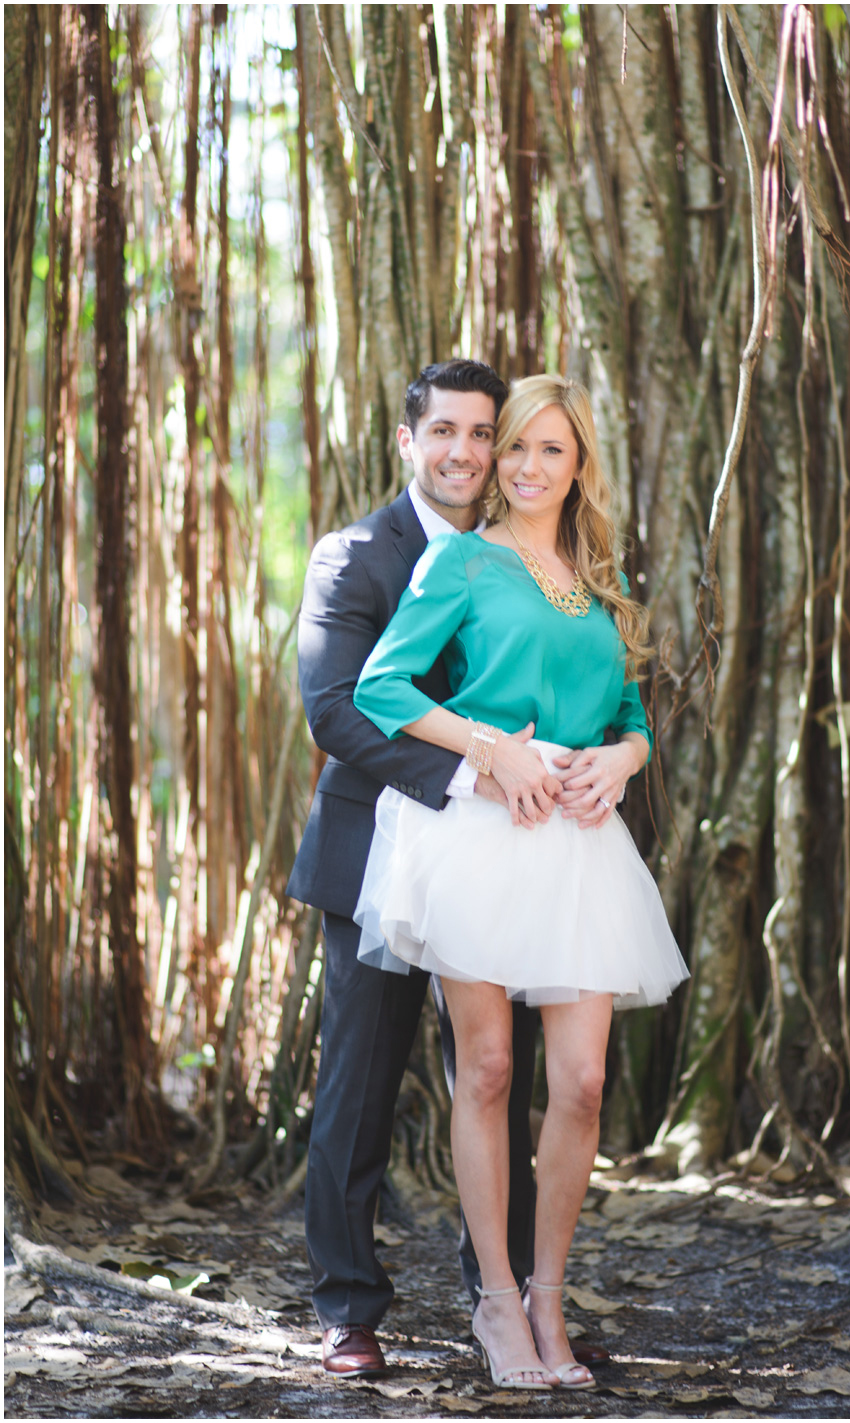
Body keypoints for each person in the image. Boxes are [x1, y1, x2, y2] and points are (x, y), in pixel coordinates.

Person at [353, 374, 689, 1390]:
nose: (529, 466)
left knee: (580, 1081)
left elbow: (630, 710)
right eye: (516, 449)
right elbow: (379, 686)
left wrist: (625, 761)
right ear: (493, 465)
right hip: (481, 835)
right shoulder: (459, 561)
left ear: (578, 463)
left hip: (581, 845)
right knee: (490, 1069)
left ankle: (549, 1296)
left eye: (551, 449)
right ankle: (496, 1304)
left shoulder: (597, 579)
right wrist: (487, 746)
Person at [287, 359, 568, 1380]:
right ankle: (348, 1306)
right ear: (405, 442)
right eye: (441, 431)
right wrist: (475, 768)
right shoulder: (355, 555)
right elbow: (335, 711)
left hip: (496, 867)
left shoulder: (519, 555)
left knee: (495, 1077)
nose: (462, 452)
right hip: (375, 859)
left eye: (480, 433)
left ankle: (507, 1301)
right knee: (358, 1089)